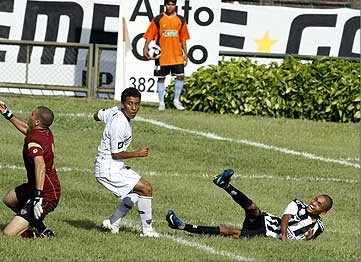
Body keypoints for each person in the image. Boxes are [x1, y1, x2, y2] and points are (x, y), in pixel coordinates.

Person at [166, 169, 333, 241]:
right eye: (315, 200)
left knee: (229, 231)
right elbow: (285, 218)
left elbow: (307, 241)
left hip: (264, 235)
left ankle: (181, 226)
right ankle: (224, 184)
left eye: (318, 204)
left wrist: (309, 239)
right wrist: (283, 237)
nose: (313, 204)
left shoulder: (319, 226)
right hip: (266, 223)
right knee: (253, 209)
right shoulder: (297, 204)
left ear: (323, 212)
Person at [93, 87, 159, 237]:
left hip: (112, 166)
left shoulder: (115, 110)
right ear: (123, 103)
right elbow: (116, 154)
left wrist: (99, 116)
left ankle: (113, 221)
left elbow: (97, 115)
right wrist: (138, 153)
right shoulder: (119, 124)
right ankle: (147, 231)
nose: (134, 108)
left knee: (137, 193)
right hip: (108, 168)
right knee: (146, 189)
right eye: (130, 104)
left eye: (137, 104)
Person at [0, 100, 61, 238]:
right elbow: (26, 129)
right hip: (35, 186)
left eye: (32, 115)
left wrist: (38, 195)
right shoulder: (44, 131)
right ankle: (40, 226)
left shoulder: (34, 140)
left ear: (37, 122)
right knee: (9, 199)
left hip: (47, 193)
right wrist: (7, 114)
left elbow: (40, 165)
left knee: (9, 233)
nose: (29, 116)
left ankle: (38, 235)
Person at [143, 0, 190, 111]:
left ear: (175, 5)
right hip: (162, 55)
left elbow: (183, 38)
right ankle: (161, 103)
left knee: (180, 76)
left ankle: (176, 100)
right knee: (161, 78)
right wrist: (145, 47)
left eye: (172, 5)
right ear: (165, 5)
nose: (170, 7)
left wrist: (186, 54)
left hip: (177, 55)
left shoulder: (181, 20)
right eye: (168, 5)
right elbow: (150, 34)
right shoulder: (158, 19)